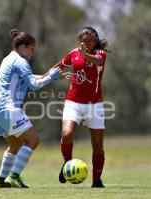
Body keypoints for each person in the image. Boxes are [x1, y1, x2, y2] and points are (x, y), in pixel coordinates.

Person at [0, 29, 61, 188]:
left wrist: (51, 74)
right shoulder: (21, 61)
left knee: (15, 145)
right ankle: (14, 176)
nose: (34, 51)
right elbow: (34, 86)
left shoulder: (10, 58)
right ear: (21, 47)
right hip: (7, 107)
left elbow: (30, 78)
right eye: (31, 48)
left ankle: (0, 180)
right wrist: (51, 77)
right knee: (33, 140)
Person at [57, 26, 109, 188]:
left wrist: (84, 54)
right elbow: (60, 66)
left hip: (95, 105)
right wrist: (47, 76)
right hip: (73, 102)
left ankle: (96, 180)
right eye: (82, 42)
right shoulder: (73, 53)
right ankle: (67, 163)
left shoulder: (100, 54)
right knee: (67, 133)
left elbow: (95, 61)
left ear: (94, 41)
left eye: (89, 42)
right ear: (79, 41)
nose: (85, 44)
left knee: (97, 145)